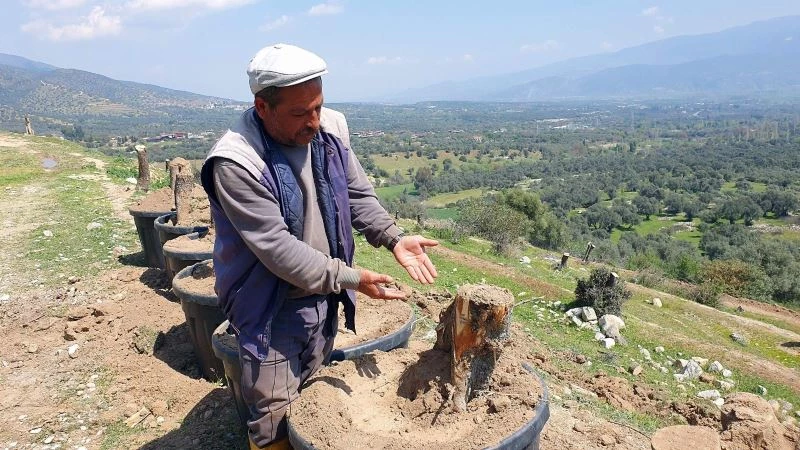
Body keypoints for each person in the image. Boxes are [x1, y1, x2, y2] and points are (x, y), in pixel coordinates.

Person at [200, 43, 439, 449]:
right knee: (273, 417)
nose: (313, 121)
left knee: (310, 391)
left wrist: (394, 238)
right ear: (262, 106)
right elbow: (278, 250)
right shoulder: (236, 162)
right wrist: (351, 277)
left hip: (323, 297)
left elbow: (357, 196)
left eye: (318, 106)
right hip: (269, 309)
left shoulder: (329, 130)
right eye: (299, 113)